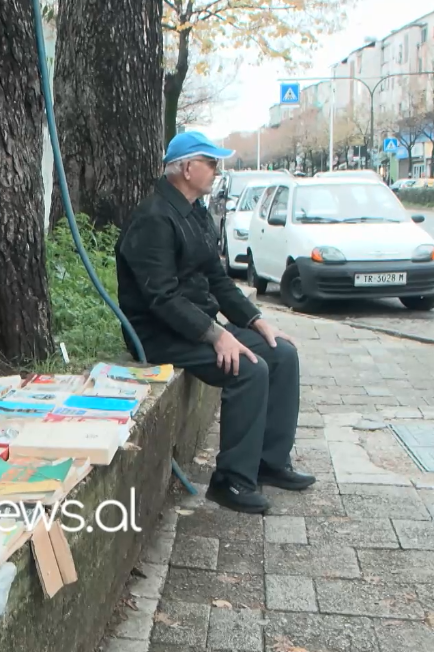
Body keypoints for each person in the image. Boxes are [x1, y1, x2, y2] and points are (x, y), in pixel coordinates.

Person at [115, 131, 314, 514]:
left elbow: (218, 279)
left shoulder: (195, 213)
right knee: (248, 368)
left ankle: (269, 463)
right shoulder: (153, 219)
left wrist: (255, 321)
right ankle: (232, 482)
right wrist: (216, 335)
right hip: (159, 334)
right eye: (211, 164)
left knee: (281, 353)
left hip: (196, 325)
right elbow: (161, 298)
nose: (217, 172)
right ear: (187, 168)